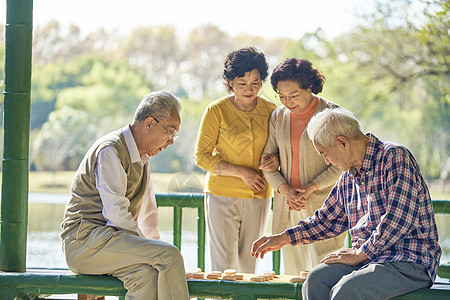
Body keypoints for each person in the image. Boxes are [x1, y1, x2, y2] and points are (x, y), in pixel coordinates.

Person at [252, 107, 441, 299]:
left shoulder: (394, 157)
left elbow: (399, 220)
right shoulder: (347, 176)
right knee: (316, 279)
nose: (326, 161)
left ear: (342, 142)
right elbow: (326, 221)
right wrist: (283, 238)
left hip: (409, 260)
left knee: (348, 289)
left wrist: (361, 254)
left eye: (325, 153)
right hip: (370, 259)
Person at [61, 91, 190, 300]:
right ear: (149, 123)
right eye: (171, 132)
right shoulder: (110, 150)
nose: (171, 141)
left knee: (147, 276)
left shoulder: (143, 157)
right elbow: (117, 214)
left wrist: (153, 248)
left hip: (109, 243)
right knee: (170, 255)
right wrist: (156, 252)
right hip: (83, 243)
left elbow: (148, 217)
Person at [259, 58, 346, 275]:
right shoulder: (278, 116)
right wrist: (286, 190)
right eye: (282, 96)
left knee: (324, 271)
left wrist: (310, 188)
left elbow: (342, 164)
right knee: (294, 273)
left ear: (310, 87)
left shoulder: (332, 114)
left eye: (294, 95)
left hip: (323, 205)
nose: (287, 101)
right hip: (288, 205)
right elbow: (267, 162)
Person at [195, 46, 277, 273]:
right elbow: (201, 156)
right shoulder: (216, 110)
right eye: (242, 83)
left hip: (260, 195)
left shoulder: (273, 111)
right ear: (230, 82)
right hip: (221, 194)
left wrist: (276, 161)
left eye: (256, 83)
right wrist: (242, 172)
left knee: (249, 265)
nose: (250, 89)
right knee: (223, 267)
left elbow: (281, 150)